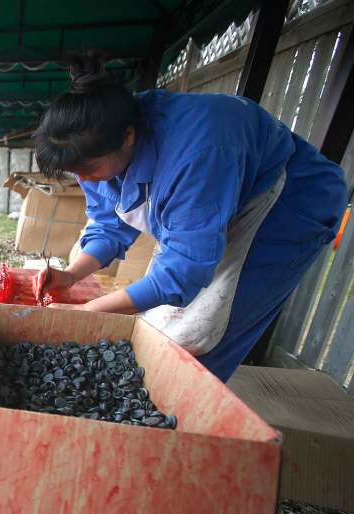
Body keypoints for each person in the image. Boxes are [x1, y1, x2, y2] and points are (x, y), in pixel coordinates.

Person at [33, 70, 348, 381]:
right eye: (75, 172)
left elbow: (182, 272)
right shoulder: (96, 143)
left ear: (128, 136)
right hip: (214, 199)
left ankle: (180, 420)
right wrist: (71, 275)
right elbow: (109, 223)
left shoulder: (198, 151)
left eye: (88, 169)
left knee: (202, 337)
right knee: (160, 327)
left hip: (287, 204)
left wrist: (90, 312)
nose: (84, 179)